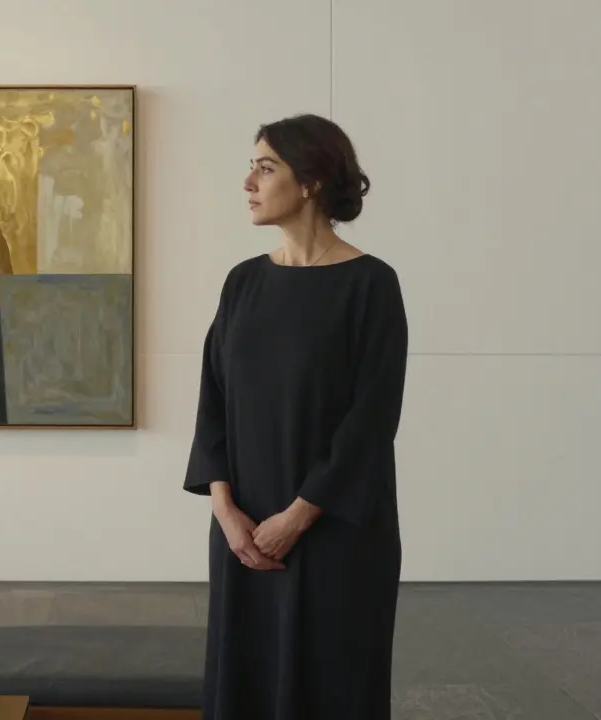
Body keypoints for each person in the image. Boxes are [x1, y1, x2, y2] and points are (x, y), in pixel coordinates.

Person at [184, 113, 408, 719]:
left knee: (332, 684)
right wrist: (225, 510)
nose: (248, 182)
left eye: (265, 167)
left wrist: (299, 515)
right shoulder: (243, 283)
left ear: (308, 181)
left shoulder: (371, 285)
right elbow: (213, 402)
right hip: (245, 533)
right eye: (251, 167)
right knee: (245, 682)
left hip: (336, 529)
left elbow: (372, 418)